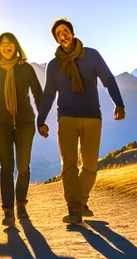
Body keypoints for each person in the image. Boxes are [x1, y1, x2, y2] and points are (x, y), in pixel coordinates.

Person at [36, 18, 126, 228]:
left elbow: (108, 80)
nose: (62, 35)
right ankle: (74, 209)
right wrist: (41, 120)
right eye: (58, 33)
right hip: (66, 117)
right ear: (56, 39)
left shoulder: (91, 56)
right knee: (69, 165)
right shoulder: (54, 65)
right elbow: (49, 94)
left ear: (73, 34)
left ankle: (81, 201)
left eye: (65, 31)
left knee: (90, 165)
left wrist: (119, 103)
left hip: (92, 117)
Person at [0, 32, 44, 228]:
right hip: (1, 125)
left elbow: (38, 95)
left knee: (24, 167)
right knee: (7, 168)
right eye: (3, 44)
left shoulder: (26, 69)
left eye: (10, 43)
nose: (6, 46)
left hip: (26, 123)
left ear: (16, 46)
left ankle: (21, 205)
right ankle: (8, 211)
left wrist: (41, 121)